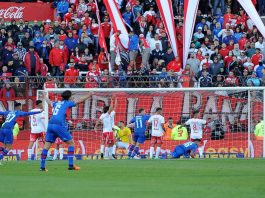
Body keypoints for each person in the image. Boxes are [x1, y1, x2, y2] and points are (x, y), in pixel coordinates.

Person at [40, 90, 92, 171]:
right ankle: (71, 165)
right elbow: (79, 100)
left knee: (47, 145)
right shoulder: (67, 103)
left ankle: (42, 167)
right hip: (59, 124)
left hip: (50, 124)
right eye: (71, 96)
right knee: (71, 143)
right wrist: (89, 94)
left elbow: (49, 102)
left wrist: (44, 96)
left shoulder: (57, 103)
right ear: (69, 97)